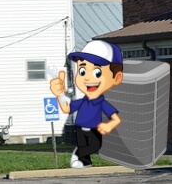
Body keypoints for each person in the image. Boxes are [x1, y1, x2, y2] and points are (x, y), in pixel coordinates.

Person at [50, 40, 123, 169]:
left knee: (96, 145)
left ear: (116, 78)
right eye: (82, 71)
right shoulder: (82, 100)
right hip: (79, 127)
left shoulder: (101, 102)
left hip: (94, 128)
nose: (88, 78)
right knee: (84, 145)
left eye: (97, 73)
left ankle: (78, 154)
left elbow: (115, 118)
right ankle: (85, 162)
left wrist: (109, 125)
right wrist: (59, 95)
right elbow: (67, 108)